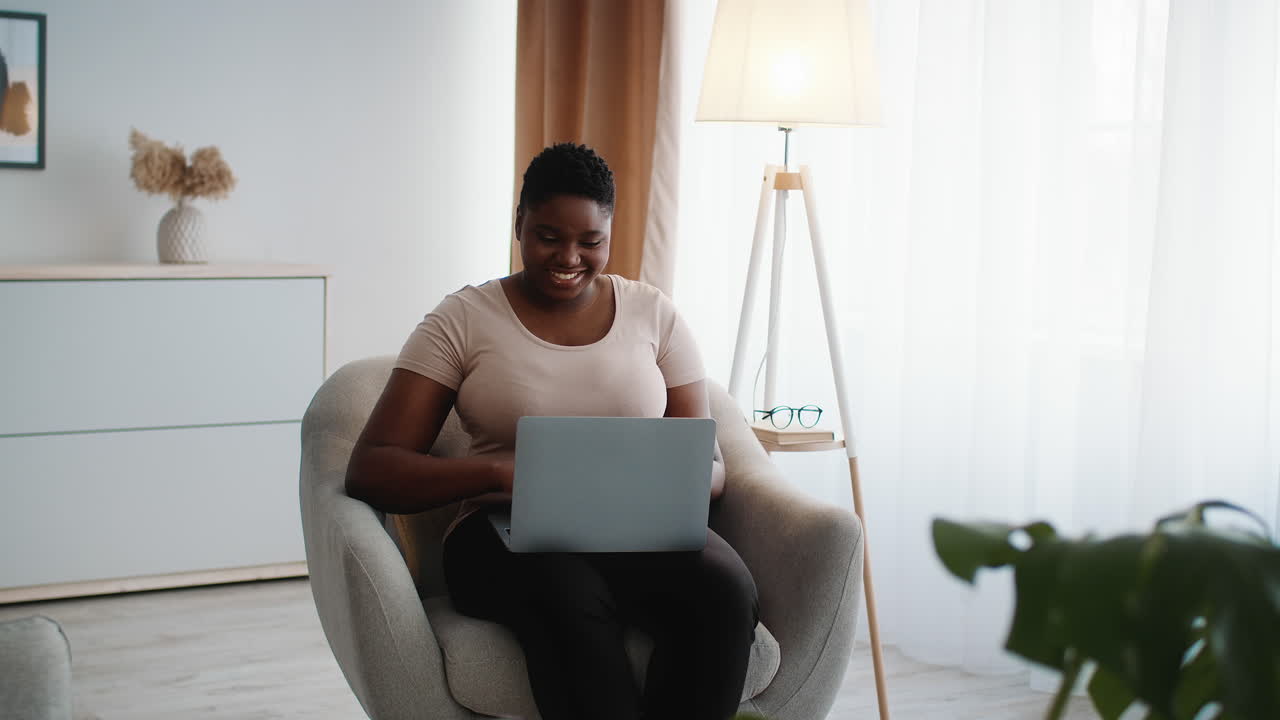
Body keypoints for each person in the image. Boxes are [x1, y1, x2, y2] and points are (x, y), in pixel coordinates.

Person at [345, 143, 759, 720]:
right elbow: (373, 467)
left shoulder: (654, 314)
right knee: (569, 595)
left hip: (635, 528)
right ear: (519, 225)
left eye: (590, 242)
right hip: (499, 531)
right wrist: (501, 473)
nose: (569, 257)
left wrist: (670, 485)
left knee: (727, 591)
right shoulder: (462, 319)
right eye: (548, 236)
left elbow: (709, 466)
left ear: (610, 234)